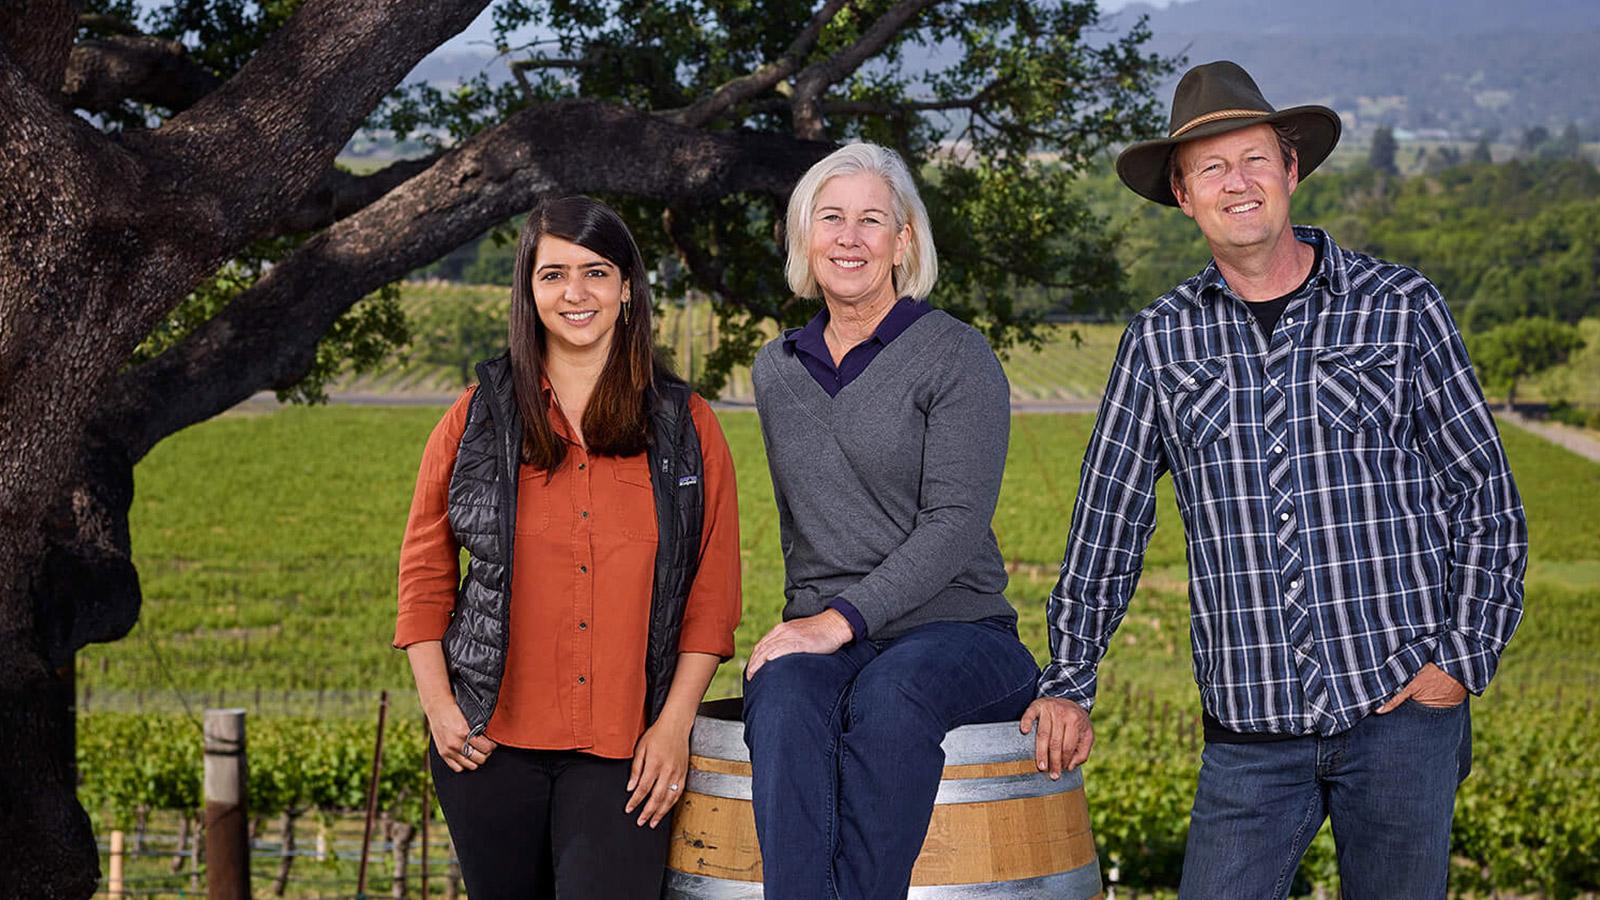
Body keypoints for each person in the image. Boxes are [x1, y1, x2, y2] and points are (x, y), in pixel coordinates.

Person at [1020, 61, 1527, 898]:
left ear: (1292, 170)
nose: (1237, 183)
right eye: (1210, 168)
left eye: (1255, 159)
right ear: (1183, 196)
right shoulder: (1159, 342)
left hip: (1400, 709)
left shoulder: (1400, 308)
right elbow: (1107, 520)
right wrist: (1070, 677)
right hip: (1248, 728)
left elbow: (1486, 497)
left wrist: (1460, 661)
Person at [392, 196, 741, 899]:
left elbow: (712, 594)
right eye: (553, 275)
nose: (574, 293)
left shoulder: (687, 427)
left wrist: (675, 728)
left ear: (628, 290)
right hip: (487, 748)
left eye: (596, 271)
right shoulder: (473, 419)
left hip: (629, 752)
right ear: (527, 290)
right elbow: (425, 576)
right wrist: (440, 708)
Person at [741, 142, 1041, 900]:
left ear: (904, 240)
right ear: (805, 238)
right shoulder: (776, 371)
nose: (849, 237)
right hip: (832, 633)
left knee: (892, 694)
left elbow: (954, 523)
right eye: (830, 218)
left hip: (960, 634)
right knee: (779, 696)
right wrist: (815, 628)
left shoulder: (957, 357)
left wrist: (838, 620)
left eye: (871, 220)